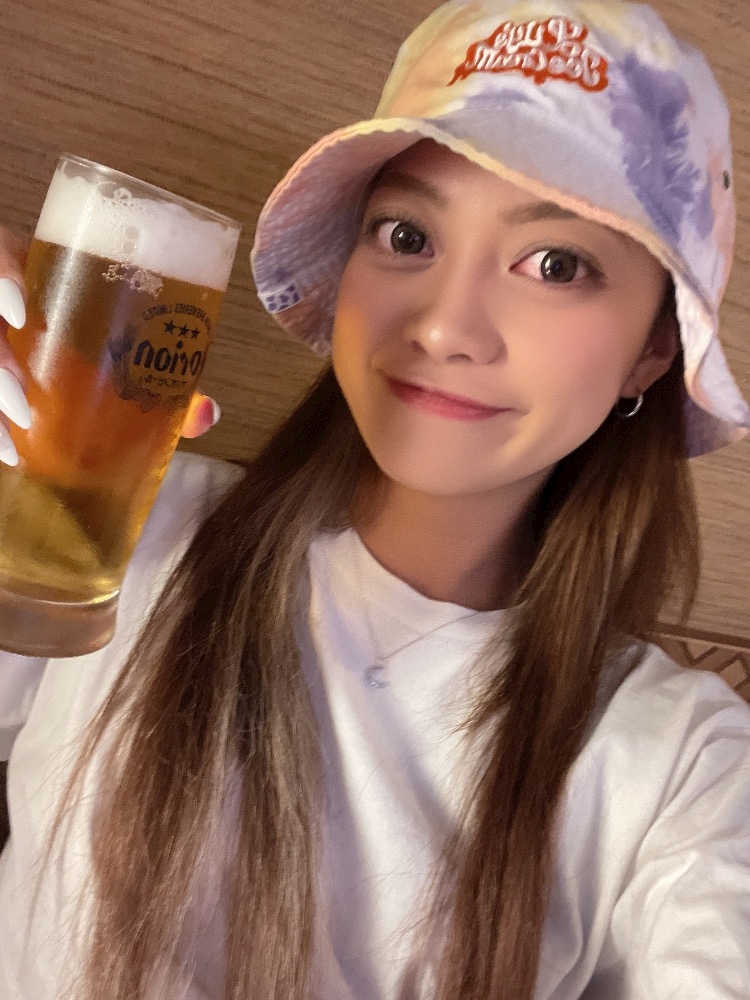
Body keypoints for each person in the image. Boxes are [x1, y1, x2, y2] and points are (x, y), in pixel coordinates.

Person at [1, 1, 749, 998]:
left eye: (555, 264)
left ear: (654, 350)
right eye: (406, 234)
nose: (443, 326)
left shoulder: (677, 764)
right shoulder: (108, 528)